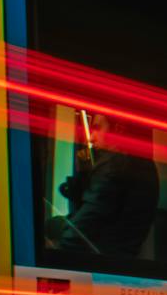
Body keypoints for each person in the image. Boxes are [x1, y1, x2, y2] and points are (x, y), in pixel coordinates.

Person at [50, 111, 159, 259]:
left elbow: (85, 225)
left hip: (100, 256)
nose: (91, 137)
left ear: (118, 129)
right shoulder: (143, 162)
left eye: (97, 128)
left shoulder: (115, 163)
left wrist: (59, 254)